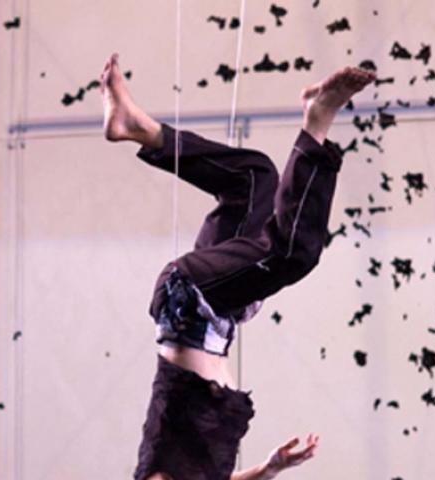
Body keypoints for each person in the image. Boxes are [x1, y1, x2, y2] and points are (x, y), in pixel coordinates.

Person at [100, 53, 375, 480]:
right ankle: (140, 129)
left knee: (292, 254)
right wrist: (268, 469)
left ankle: (318, 120)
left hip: (191, 303)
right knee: (253, 180)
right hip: (213, 310)